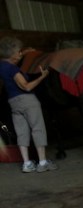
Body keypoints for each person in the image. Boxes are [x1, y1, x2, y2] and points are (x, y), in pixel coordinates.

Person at [0, 36, 57, 173]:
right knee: (38, 129)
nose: (20, 53)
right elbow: (26, 87)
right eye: (18, 51)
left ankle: (27, 164)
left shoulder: (2, 65)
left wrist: (23, 53)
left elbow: (9, 59)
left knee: (22, 132)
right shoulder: (13, 70)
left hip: (14, 103)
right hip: (27, 101)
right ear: (12, 54)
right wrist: (42, 76)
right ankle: (42, 162)